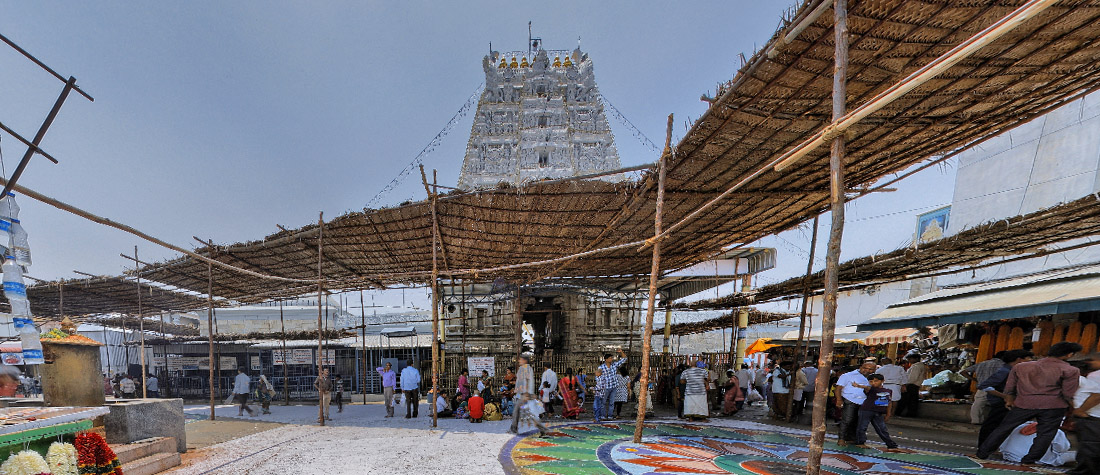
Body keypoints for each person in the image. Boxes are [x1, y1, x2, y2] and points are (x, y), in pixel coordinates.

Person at [976, 341, 1082, 464]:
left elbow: (1010, 387)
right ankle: (1030, 460)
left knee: (1004, 428)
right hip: (1053, 406)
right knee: (1045, 434)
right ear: (1069, 354)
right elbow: (1068, 393)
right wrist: (1074, 407)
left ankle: (983, 452)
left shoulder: (1021, 366)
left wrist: (1009, 399)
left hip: (1024, 403)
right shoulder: (1071, 370)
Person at [977, 350, 1031, 447]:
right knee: (992, 425)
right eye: (1027, 359)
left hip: (1006, 402)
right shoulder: (1005, 371)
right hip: (1000, 403)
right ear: (1019, 360)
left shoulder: (1012, 371)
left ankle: (989, 446)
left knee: (998, 425)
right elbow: (985, 386)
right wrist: (1005, 396)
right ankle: (984, 446)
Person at [1070, 352, 1100, 475]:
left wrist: (1080, 410)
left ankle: (1085, 471)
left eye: (1092, 360)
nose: (1089, 363)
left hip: (1092, 415)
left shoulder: (1095, 375)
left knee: (1090, 446)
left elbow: (1097, 396)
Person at [852, 374, 899, 450]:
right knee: (862, 427)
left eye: (876, 381)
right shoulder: (871, 389)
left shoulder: (888, 391)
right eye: (871, 381)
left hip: (879, 412)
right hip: (866, 410)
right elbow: (867, 388)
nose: (873, 383)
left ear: (882, 381)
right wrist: (859, 386)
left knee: (882, 429)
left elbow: (889, 402)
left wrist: (888, 413)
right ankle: (860, 442)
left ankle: (891, 444)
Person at [836, 362, 877, 446]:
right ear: (861, 367)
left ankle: (853, 438)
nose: (867, 370)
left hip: (864, 402)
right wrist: (839, 400)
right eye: (865, 368)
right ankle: (841, 439)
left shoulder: (874, 378)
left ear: (874, 370)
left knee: (859, 422)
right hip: (850, 400)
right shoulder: (848, 375)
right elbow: (838, 388)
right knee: (847, 420)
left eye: (870, 369)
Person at [962, 351, 1007, 425]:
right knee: (998, 405)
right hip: (996, 388)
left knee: (978, 404)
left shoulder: (982, 363)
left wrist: (974, 379)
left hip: (982, 387)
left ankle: (976, 420)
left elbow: (963, 372)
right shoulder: (1003, 365)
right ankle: (996, 422)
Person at [596, 349, 627, 421]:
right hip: (605, 387)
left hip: (613, 386)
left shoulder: (614, 365)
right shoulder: (601, 367)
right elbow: (598, 377)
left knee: (612, 402)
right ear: (606, 359)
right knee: (603, 402)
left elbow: (624, 359)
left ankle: (610, 415)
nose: (611, 359)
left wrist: (621, 352)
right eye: (610, 358)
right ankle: (603, 416)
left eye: (612, 358)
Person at [509, 353, 535, 434]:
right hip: (523, 393)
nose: (519, 360)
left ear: (524, 360)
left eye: (520, 359)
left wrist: (526, 392)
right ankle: (514, 427)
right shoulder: (526, 368)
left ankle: (514, 427)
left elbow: (525, 381)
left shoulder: (524, 368)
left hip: (524, 394)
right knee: (523, 411)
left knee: (518, 411)